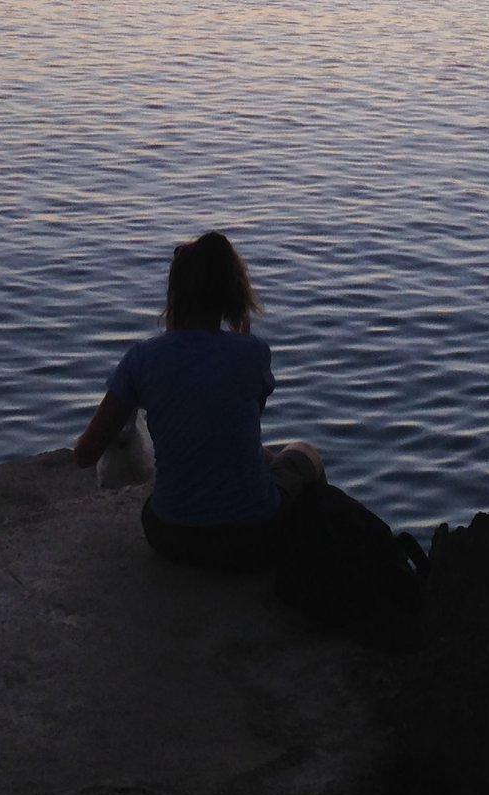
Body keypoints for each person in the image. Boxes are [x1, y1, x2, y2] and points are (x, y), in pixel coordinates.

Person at [72, 232, 324, 571]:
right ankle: (316, 551)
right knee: (304, 452)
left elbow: (85, 455)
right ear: (232, 294)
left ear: (175, 294)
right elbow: (240, 431)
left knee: (253, 458)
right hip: (256, 537)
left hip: (173, 537)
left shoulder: (142, 359)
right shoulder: (253, 352)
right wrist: (241, 325)